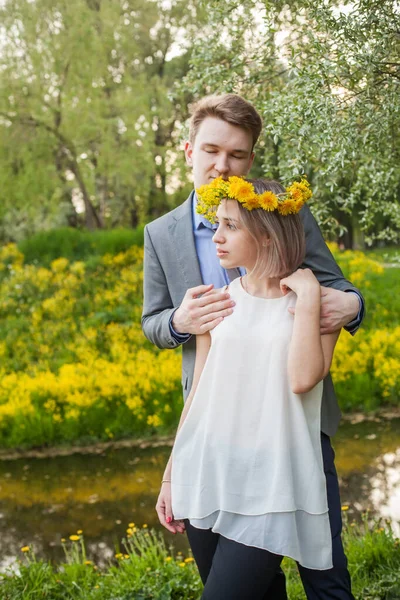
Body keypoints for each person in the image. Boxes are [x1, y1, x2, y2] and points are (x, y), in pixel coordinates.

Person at [143, 94, 364, 599]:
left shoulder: (281, 213)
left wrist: (346, 306)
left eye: (237, 155)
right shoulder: (161, 234)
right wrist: (179, 319)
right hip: (213, 435)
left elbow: (339, 290)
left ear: (250, 160)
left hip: (292, 430)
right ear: (188, 150)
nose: (222, 165)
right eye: (211, 150)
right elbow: (153, 322)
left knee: (325, 573)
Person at [156, 176, 341, 598]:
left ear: (267, 233)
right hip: (205, 471)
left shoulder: (315, 306)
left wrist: (310, 297)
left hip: (270, 484)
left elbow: (301, 380)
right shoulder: (216, 301)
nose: (216, 237)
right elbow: (197, 397)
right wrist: (171, 476)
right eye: (216, 224)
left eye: (230, 226)